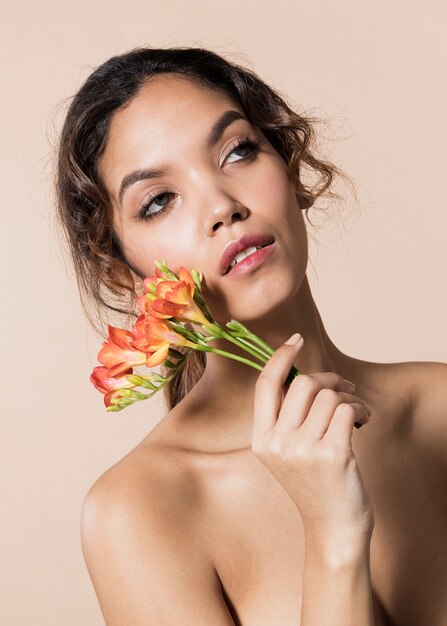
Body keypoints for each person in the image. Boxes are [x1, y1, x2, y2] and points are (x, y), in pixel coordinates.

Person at [55, 46, 447, 626]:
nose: (221, 206)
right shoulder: (141, 511)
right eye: (158, 201)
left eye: (238, 151)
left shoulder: (439, 409)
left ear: (289, 168)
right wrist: (332, 535)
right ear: (122, 271)